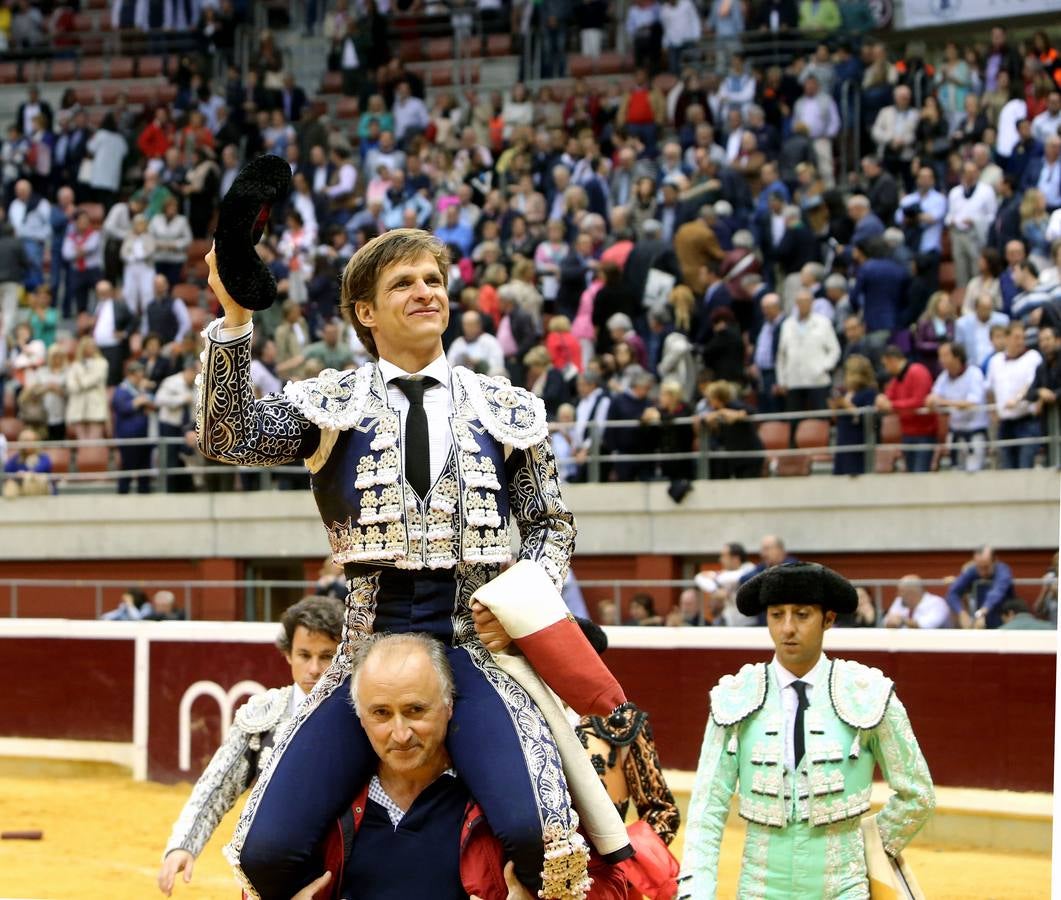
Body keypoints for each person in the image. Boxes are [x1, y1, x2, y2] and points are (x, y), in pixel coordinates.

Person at [198, 228, 631, 898]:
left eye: (432, 280)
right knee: (268, 851)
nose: (425, 292)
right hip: (368, 645)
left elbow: (550, 526)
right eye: (403, 283)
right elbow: (230, 436)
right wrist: (234, 320)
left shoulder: (503, 407)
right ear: (365, 312)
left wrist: (519, 605)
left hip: (472, 647)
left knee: (541, 837)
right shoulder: (332, 404)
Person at [298, 632, 631, 900]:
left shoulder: (506, 786)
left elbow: (613, 885)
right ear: (360, 715)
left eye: (416, 710)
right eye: (381, 713)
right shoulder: (327, 802)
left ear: (449, 706)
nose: (400, 734)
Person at [679, 562, 936, 898]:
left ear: (828, 619)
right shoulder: (736, 698)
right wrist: (695, 891)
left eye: (801, 615)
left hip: (843, 888)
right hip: (760, 889)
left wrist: (862, 847)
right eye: (776, 615)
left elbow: (918, 794)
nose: (787, 628)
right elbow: (707, 806)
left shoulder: (867, 693)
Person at [157, 596, 344, 897]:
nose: (314, 669)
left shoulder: (364, 714)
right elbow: (218, 783)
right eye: (304, 655)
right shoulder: (264, 713)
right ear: (288, 655)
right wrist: (184, 844)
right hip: (270, 882)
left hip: (340, 875)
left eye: (327, 656)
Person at [985, 321, 1042, 469]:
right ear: (1007, 338)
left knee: (1025, 467)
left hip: (1026, 421)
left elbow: (1031, 384)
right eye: (1017, 337)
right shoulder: (995, 361)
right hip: (1004, 423)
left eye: (1023, 338)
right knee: (1007, 469)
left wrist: (1017, 400)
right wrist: (993, 412)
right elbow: (989, 389)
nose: (1021, 341)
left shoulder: (1032, 356)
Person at [874, 345, 937, 473]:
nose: (886, 369)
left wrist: (892, 405)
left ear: (892, 360)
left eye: (886, 365)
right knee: (911, 475)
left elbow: (918, 402)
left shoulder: (917, 372)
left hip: (923, 434)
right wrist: (881, 399)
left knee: (920, 474)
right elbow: (887, 397)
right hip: (908, 434)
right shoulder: (897, 379)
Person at [945, 546, 1016, 630]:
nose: (982, 572)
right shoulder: (972, 570)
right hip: (978, 621)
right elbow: (952, 593)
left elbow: (997, 592)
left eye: (986, 567)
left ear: (995, 561)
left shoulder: (1003, 570)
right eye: (979, 567)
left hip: (1002, 621)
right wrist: (961, 612)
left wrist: (982, 612)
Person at [693, 541, 756, 626]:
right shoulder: (725, 573)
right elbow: (699, 577)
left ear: (735, 558)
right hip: (730, 622)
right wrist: (714, 591)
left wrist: (715, 576)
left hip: (749, 624)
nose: (720, 559)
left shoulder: (750, 569)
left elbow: (738, 576)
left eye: (724, 556)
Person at [883, 575, 952, 629]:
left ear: (912, 592)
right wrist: (891, 623)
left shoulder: (937, 603)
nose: (898, 594)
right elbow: (886, 621)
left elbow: (927, 626)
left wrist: (903, 621)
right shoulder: (899, 600)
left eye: (901, 592)